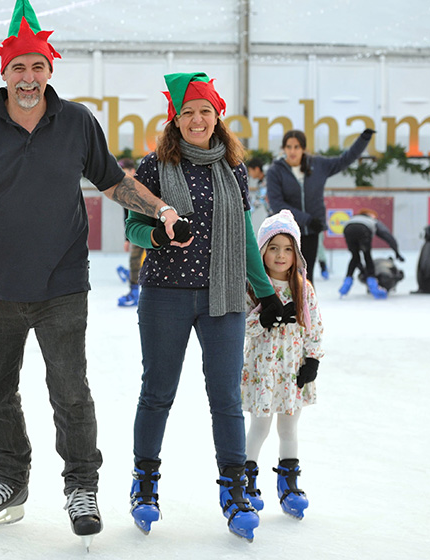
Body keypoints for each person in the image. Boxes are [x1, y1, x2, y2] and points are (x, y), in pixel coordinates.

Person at [0, 0, 192, 548]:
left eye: (37, 66)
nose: (28, 76)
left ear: (49, 70)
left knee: (70, 391)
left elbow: (114, 181)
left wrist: (161, 207)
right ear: (4, 70)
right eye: (18, 66)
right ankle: (10, 481)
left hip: (63, 284)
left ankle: (81, 485)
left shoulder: (76, 122)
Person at [124, 72, 292, 541]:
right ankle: (144, 481)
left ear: (217, 116)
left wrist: (265, 294)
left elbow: (241, 235)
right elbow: (133, 228)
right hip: (165, 295)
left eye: (205, 111)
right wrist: (158, 235)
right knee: (157, 391)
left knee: (227, 399)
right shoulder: (154, 166)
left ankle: (234, 487)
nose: (197, 120)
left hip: (223, 299)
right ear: (175, 119)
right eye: (188, 112)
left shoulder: (233, 168)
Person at [241, 209, 324, 521]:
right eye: (273, 247)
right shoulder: (251, 286)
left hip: (293, 371)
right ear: (261, 251)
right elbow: (240, 327)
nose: (280, 255)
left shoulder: (303, 287)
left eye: (288, 249)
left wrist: (312, 360)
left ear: (297, 253)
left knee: (289, 427)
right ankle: (246, 483)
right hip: (263, 371)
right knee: (260, 426)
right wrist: (261, 317)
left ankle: (289, 484)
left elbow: (314, 326)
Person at [267, 127, 376, 283]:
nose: (292, 151)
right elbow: (277, 204)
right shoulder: (275, 171)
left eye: (296, 147)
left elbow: (345, 160)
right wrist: (307, 219)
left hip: (311, 232)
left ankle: (308, 307)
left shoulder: (318, 165)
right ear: (283, 148)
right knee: (288, 277)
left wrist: (363, 140)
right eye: (289, 147)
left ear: (303, 149)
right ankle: (288, 307)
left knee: (306, 276)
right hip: (287, 232)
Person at [339, 208, 404, 299]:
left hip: (348, 228)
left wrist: (362, 269)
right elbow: (387, 235)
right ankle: (373, 285)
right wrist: (396, 251)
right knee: (367, 256)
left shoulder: (353, 218)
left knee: (355, 257)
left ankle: (346, 283)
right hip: (363, 229)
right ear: (369, 214)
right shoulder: (372, 221)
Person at [116, 157, 145, 307]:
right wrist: (127, 238)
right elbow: (126, 216)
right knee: (134, 260)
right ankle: (134, 291)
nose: (123, 174)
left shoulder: (144, 182)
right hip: (136, 230)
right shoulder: (123, 190)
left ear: (132, 171)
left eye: (125, 171)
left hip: (150, 227)